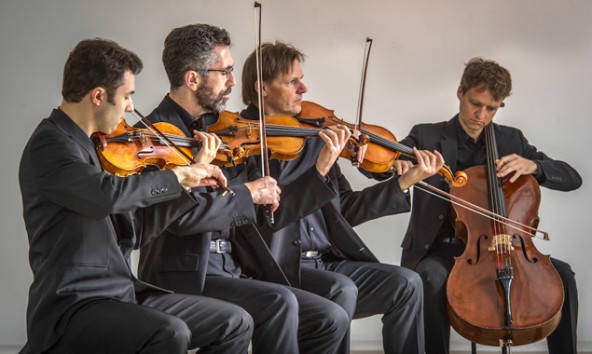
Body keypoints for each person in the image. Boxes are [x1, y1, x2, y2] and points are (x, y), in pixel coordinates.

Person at [18, 38, 254, 354]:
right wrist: (177, 175)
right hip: (74, 303)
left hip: (122, 292)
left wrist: (190, 179)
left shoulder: (97, 147)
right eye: (128, 96)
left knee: (234, 322)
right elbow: (107, 196)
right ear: (98, 96)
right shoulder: (51, 144)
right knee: (168, 333)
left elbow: (138, 231)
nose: (131, 107)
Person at [137, 24, 350, 354]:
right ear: (192, 79)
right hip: (186, 273)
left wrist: (314, 172)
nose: (234, 82)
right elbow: (180, 218)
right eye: (225, 72)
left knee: (330, 317)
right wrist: (247, 194)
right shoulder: (153, 138)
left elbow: (269, 215)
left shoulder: (227, 132)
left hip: (235, 268)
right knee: (279, 303)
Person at [238, 41, 445, 354]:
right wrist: (320, 167)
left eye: (301, 79)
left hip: (327, 262)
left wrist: (405, 181)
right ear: (262, 88)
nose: (304, 88)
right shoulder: (243, 143)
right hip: (280, 267)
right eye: (292, 82)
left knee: (407, 283)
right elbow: (265, 220)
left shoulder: (313, 137)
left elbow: (344, 209)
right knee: (342, 290)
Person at [391, 57, 581, 354]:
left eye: (491, 108)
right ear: (460, 92)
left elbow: (572, 177)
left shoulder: (511, 140)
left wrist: (534, 165)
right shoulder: (427, 135)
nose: (481, 115)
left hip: (507, 249)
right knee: (430, 279)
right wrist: (398, 164)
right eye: (475, 103)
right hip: (439, 249)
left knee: (564, 276)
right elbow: (385, 163)